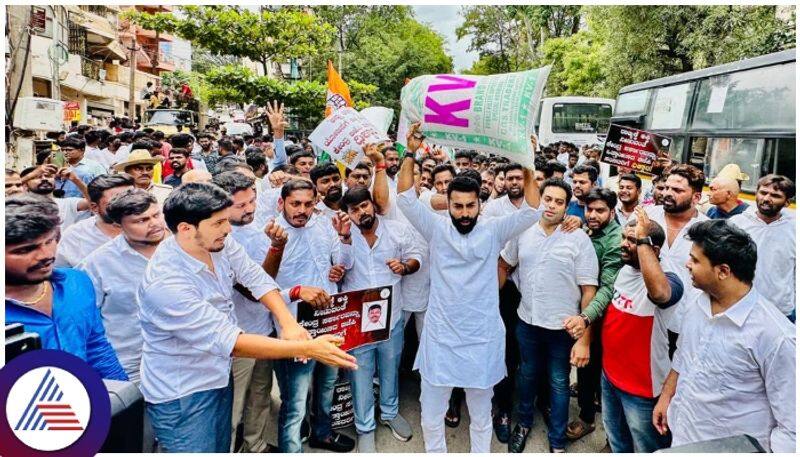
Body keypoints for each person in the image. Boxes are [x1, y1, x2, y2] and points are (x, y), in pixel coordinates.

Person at [138, 182, 356, 453]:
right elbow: (232, 341)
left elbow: (256, 278)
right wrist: (308, 347)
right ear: (185, 229)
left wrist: (288, 323)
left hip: (218, 374)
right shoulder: (166, 284)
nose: (228, 229)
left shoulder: (220, 244)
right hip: (184, 393)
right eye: (218, 223)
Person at [396, 123, 542, 453]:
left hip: (482, 338)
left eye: (470, 206)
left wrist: (529, 162)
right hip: (441, 337)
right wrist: (409, 151)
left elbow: (533, 209)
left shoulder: (493, 230)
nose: (464, 213)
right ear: (447, 203)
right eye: (457, 206)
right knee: (431, 416)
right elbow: (404, 198)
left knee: (480, 415)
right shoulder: (435, 227)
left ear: (480, 203)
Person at [653, 220, 796, 452]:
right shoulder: (696, 301)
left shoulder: (776, 337)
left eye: (695, 260)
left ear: (723, 271)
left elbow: (792, 428)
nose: (687, 265)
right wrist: (667, 396)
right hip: (683, 435)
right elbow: (683, 355)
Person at [500, 178, 599, 453]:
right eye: (548, 199)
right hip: (527, 323)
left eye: (559, 202)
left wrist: (584, 339)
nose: (551, 206)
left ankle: (556, 440)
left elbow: (589, 290)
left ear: (567, 208)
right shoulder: (523, 231)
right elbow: (504, 264)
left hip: (562, 330)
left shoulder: (578, 239)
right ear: (539, 199)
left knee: (559, 383)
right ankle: (523, 424)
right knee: (527, 376)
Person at [263, 179, 356, 453]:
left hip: (328, 322)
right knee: (295, 402)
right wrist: (295, 292)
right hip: (293, 329)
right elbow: (260, 290)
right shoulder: (268, 235)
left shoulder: (323, 228)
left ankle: (322, 434)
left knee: (327, 385)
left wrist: (345, 239)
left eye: (308, 203)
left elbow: (343, 263)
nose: (302, 210)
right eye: (295, 204)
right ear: (281, 203)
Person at [5, 193, 128, 380]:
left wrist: (122, 396)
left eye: (50, 241)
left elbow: (96, 348)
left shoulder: (77, 283)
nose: (46, 255)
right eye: (25, 250)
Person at [338, 187, 422, 452]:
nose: (361, 213)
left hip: (392, 315)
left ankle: (389, 412)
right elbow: (339, 267)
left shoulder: (397, 229)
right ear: (347, 213)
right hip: (358, 321)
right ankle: (365, 428)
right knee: (360, 374)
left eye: (364, 206)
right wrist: (344, 241)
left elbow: (417, 256)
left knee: (390, 367)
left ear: (373, 204)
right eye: (354, 210)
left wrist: (405, 266)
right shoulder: (342, 234)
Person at [601, 208, 683, 453]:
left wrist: (644, 241)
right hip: (610, 377)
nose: (624, 245)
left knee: (647, 447)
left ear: (653, 249)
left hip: (642, 390)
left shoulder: (670, 279)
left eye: (633, 241)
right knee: (617, 439)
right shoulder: (625, 268)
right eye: (624, 238)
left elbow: (660, 294)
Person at [77, 189, 167, 384]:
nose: (154, 224)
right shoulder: (97, 265)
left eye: (156, 215)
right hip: (129, 368)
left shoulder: (180, 250)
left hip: (180, 362)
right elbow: (84, 322)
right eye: (141, 221)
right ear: (118, 225)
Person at [564, 188, 623, 443]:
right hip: (583, 310)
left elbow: (607, 287)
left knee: (588, 366)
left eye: (600, 210)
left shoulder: (614, 239)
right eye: (589, 210)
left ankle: (587, 419)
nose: (593, 215)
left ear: (612, 212)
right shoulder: (589, 230)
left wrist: (587, 319)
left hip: (601, 315)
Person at [645, 164, 709, 354]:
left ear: (696, 197)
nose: (667, 193)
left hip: (688, 322)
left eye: (677, 190)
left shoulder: (708, 229)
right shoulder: (646, 217)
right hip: (646, 314)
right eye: (666, 188)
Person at [729, 175, 796, 321]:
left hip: (781, 311)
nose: (766, 198)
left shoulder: (794, 229)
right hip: (739, 307)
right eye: (763, 192)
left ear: (787, 202)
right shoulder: (736, 224)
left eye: (775, 195)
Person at [55, 174, 135, 267]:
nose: (128, 205)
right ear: (95, 207)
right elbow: (58, 273)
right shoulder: (76, 236)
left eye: (132, 198)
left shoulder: (151, 228)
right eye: (117, 201)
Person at [21, 164, 91, 231]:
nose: (44, 179)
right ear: (25, 185)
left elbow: (95, 202)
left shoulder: (68, 204)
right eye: (37, 177)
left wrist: (76, 180)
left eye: (48, 176)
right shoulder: (20, 206)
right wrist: (30, 175)